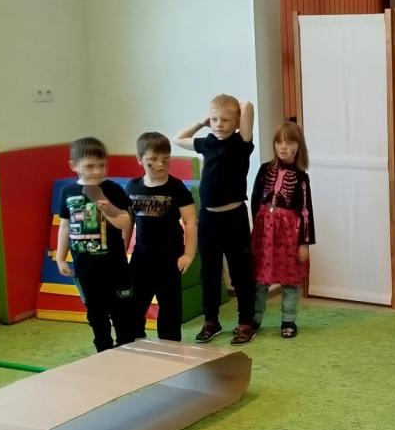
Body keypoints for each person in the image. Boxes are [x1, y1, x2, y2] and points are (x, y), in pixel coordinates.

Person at [174, 94, 257, 345]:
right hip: (209, 219)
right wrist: (203, 121)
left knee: (240, 273)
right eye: (215, 119)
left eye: (225, 120)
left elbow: (248, 106)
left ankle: (246, 322)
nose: (219, 124)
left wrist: (234, 113)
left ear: (237, 122)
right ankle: (211, 321)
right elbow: (177, 139)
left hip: (234, 218)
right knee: (208, 273)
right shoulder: (207, 143)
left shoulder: (241, 143)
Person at [54, 136, 140, 353]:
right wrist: (60, 257)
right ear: (74, 165)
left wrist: (108, 210)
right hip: (85, 267)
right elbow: (64, 226)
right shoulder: (68, 192)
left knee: (121, 311)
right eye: (90, 166)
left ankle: (127, 347)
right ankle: (103, 349)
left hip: (114, 265)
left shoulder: (113, 189)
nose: (97, 171)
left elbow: (126, 222)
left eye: (102, 165)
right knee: (95, 312)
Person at [124, 132, 197, 341]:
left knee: (170, 307)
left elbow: (191, 222)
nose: (160, 164)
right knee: (134, 304)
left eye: (165, 159)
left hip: (170, 258)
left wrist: (189, 254)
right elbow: (127, 222)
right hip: (141, 258)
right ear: (140, 160)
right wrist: (122, 252)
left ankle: (170, 344)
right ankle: (134, 341)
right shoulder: (132, 187)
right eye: (153, 160)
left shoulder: (177, 187)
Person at [249, 121, 315, 339]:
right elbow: (255, 199)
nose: (284, 147)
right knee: (259, 279)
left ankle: (288, 319)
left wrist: (304, 242)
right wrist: (256, 229)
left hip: (289, 235)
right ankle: (254, 318)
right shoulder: (264, 169)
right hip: (264, 232)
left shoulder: (301, 177)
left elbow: (306, 211)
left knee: (290, 279)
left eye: (290, 142)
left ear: (299, 145)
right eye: (279, 142)